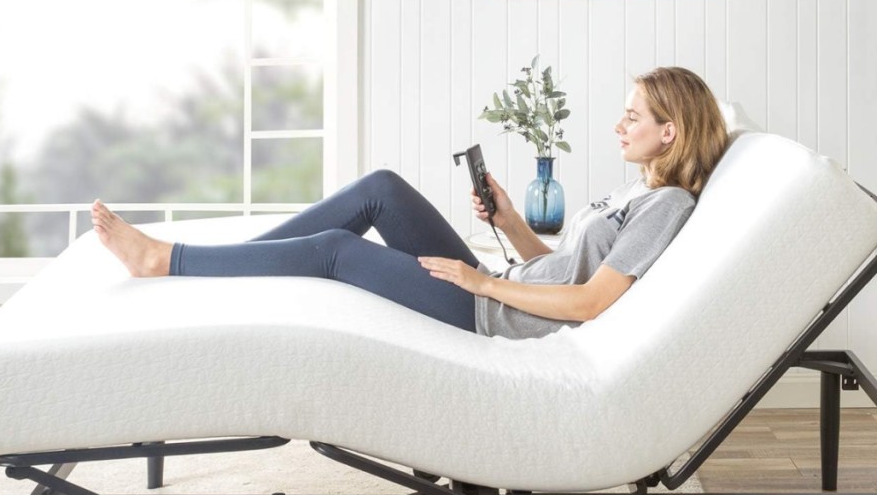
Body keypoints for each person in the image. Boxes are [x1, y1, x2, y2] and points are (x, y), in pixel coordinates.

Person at [91, 66, 728, 339]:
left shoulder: (667, 206)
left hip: (494, 314)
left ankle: (165, 262)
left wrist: (482, 283)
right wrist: (509, 222)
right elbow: (568, 267)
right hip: (504, 285)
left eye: (632, 116)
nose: (620, 126)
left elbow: (590, 303)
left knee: (337, 252)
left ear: (669, 131)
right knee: (382, 189)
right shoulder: (638, 189)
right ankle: (223, 264)